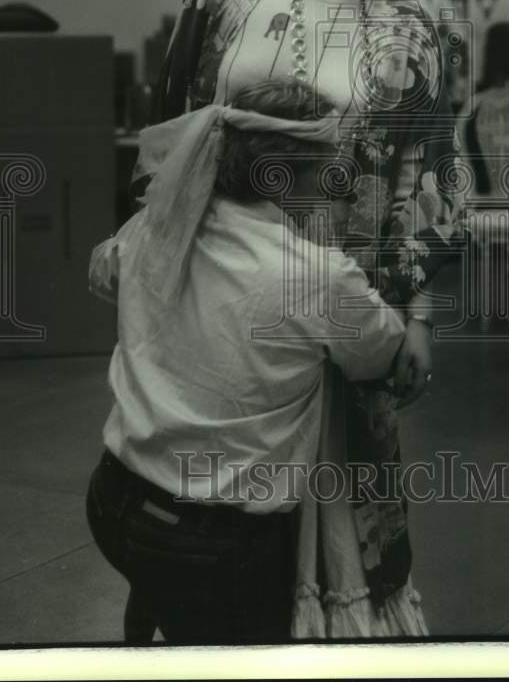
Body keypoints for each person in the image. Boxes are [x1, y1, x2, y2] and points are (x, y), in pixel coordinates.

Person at [145, 0, 467, 638]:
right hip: (208, 277)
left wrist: (418, 316)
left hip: (332, 297)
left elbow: (424, 181)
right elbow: (171, 118)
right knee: (194, 494)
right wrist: (137, 236)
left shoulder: (411, 34)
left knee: (332, 504)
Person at [87, 79, 409, 644]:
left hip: (116, 497)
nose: (339, 187)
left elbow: (105, 275)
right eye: (329, 170)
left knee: (170, 598)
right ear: (285, 175)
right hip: (215, 541)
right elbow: (378, 353)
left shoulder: (156, 229)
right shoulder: (315, 277)